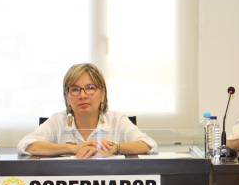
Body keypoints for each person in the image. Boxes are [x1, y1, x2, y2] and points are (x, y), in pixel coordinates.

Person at [17, 63, 157, 158]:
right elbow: (26, 145)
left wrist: (116, 148)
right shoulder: (58, 120)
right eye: (75, 89)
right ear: (67, 96)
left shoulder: (117, 120)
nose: (82, 95)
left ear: (102, 93)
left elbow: (149, 145)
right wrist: (72, 148)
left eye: (90, 88)